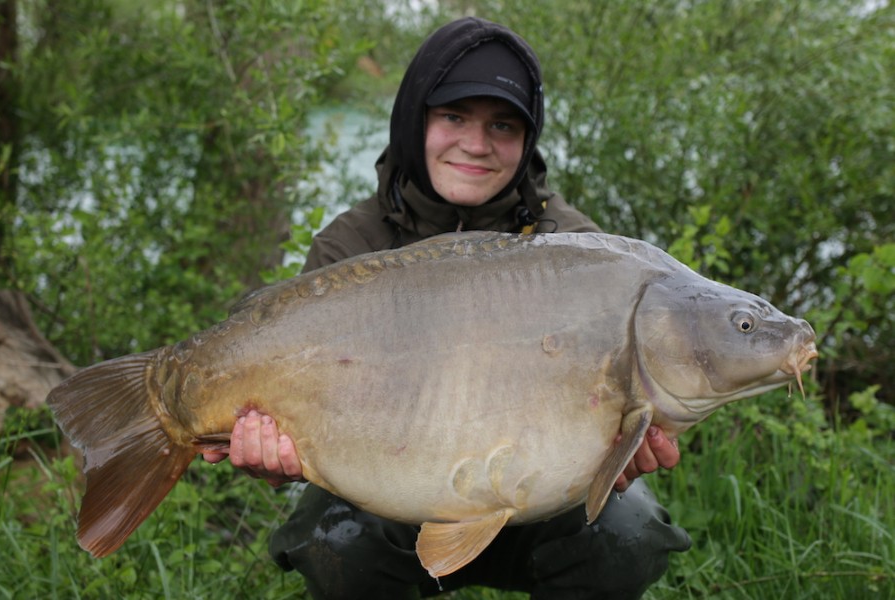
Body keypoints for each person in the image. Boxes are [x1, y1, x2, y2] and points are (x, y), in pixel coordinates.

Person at [204, 16, 691, 599]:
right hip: (388, 495)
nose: (476, 143)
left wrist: (615, 457)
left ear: (528, 139)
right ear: (416, 119)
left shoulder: (577, 252)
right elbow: (293, 407)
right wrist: (267, 449)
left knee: (631, 534)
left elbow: (619, 411)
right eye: (454, 116)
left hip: (539, 497)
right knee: (335, 544)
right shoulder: (351, 245)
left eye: (503, 125)